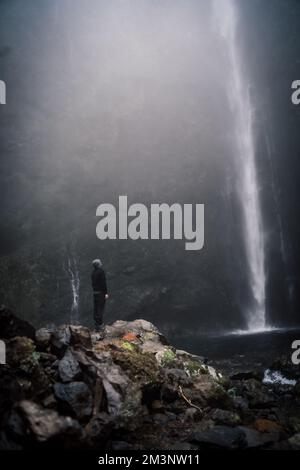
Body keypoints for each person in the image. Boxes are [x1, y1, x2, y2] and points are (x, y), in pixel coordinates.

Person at [91, 259, 108, 332]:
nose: (101, 263)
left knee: (96, 308)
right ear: (98, 264)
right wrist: (105, 293)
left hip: (95, 293)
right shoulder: (101, 272)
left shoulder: (93, 273)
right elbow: (103, 283)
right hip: (101, 293)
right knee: (100, 308)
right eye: (100, 263)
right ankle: (101, 326)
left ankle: (96, 325)